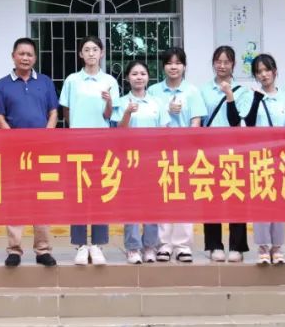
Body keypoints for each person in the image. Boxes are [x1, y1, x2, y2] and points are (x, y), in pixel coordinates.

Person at [0, 37, 58, 268]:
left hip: (42, 150)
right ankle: (14, 249)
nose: (25, 58)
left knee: (42, 199)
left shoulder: (45, 82)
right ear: (13, 56)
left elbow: (53, 112)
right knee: (16, 199)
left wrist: (46, 135)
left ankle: (43, 250)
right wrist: (14, 139)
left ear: (35, 58)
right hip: (14, 152)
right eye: (21, 54)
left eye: (29, 54)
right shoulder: (2, 85)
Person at [61, 36, 119, 266]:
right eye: (87, 50)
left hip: (101, 143)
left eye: (95, 49)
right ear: (80, 54)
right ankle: (80, 244)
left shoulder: (109, 81)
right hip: (77, 143)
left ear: (102, 53)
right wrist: (76, 131)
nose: (91, 53)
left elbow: (110, 116)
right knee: (79, 193)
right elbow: (67, 111)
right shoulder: (72, 80)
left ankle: (97, 244)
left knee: (99, 192)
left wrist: (108, 101)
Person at [147, 47, 206, 263]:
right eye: (169, 63)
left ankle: (182, 245)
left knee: (183, 198)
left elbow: (196, 121)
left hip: (185, 152)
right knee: (162, 197)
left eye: (178, 63)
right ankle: (163, 244)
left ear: (184, 66)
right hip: (160, 152)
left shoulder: (192, 91)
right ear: (163, 66)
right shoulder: (153, 91)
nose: (174, 67)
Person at [243, 53, 285, 265]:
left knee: (279, 203)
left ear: (275, 72)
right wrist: (256, 99)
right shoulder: (251, 97)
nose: (264, 74)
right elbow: (249, 124)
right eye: (259, 71)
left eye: (267, 70)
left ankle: (277, 248)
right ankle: (262, 248)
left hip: (282, 157)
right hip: (259, 157)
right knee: (261, 201)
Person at [200, 45, 253, 263]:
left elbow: (236, 121)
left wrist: (229, 95)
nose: (222, 66)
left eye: (226, 62)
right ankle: (214, 245)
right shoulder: (203, 90)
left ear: (233, 64)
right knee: (211, 197)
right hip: (209, 151)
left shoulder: (243, 91)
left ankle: (237, 246)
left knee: (235, 196)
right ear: (213, 63)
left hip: (234, 151)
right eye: (218, 61)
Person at [116, 59, 167, 264]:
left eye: (143, 74)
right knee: (132, 204)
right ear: (127, 78)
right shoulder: (122, 102)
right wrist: (128, 112)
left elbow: (163, 131)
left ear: (148, 77)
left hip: (152, 159)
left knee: (152, 204)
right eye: (134, 74)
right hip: (129, 160)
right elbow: (119, 131)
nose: (139, 77)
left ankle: (150, 246)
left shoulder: (157, 103)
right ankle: (133, 247)